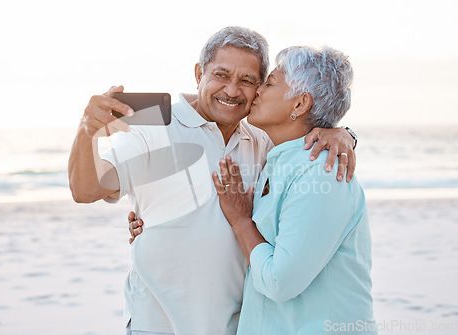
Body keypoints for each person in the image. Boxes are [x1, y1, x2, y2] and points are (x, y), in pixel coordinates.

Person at [68, 26, 357, 335]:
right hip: (156, 325)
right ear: (198, 73)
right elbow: (85, 190)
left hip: (238, 326)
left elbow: (303, 137)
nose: (232, 91)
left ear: (259, 88)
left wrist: (344, 133)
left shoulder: (262, 138)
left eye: (247, 81)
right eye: (221, 75)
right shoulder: (154, 121)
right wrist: (88, 130)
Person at [212, 46, 376, 334]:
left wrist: (241, 221)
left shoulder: (323, 171)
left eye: (271, 83)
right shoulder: (279, 161)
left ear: (300, 105)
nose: (258, 90)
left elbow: (280, 281)